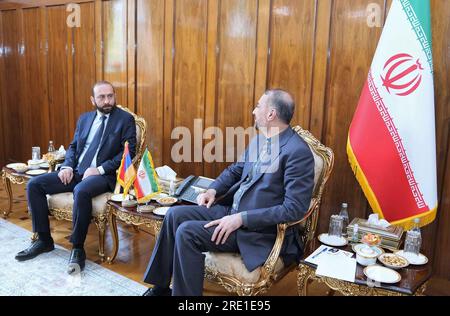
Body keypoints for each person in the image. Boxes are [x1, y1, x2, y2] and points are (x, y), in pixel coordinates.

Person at [142, 89, 315, 296]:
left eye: (258, 106)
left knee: (187, 233)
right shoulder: (260, 140)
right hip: (231, 211)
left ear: (271, 114)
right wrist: (213, 190)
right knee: (173, 215)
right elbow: (235, 170)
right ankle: (161, 289)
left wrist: (242, 219)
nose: (253, 111)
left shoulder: (298, 152)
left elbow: (294, 209)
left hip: (257, 231)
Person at [15, 81, 136, 274]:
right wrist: (67, 166)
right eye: (101, 97)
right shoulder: (85, 119)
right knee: (35, 185)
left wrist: (100, 169)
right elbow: (73, 147)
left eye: (110, 96)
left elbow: (127, 153)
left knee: (81, 190)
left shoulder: (125, 119)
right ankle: (44, 240)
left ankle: (78, 248)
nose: (107, 101)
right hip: (78, 171)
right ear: (92, 100)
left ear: (115, 96)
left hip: (105, 177)